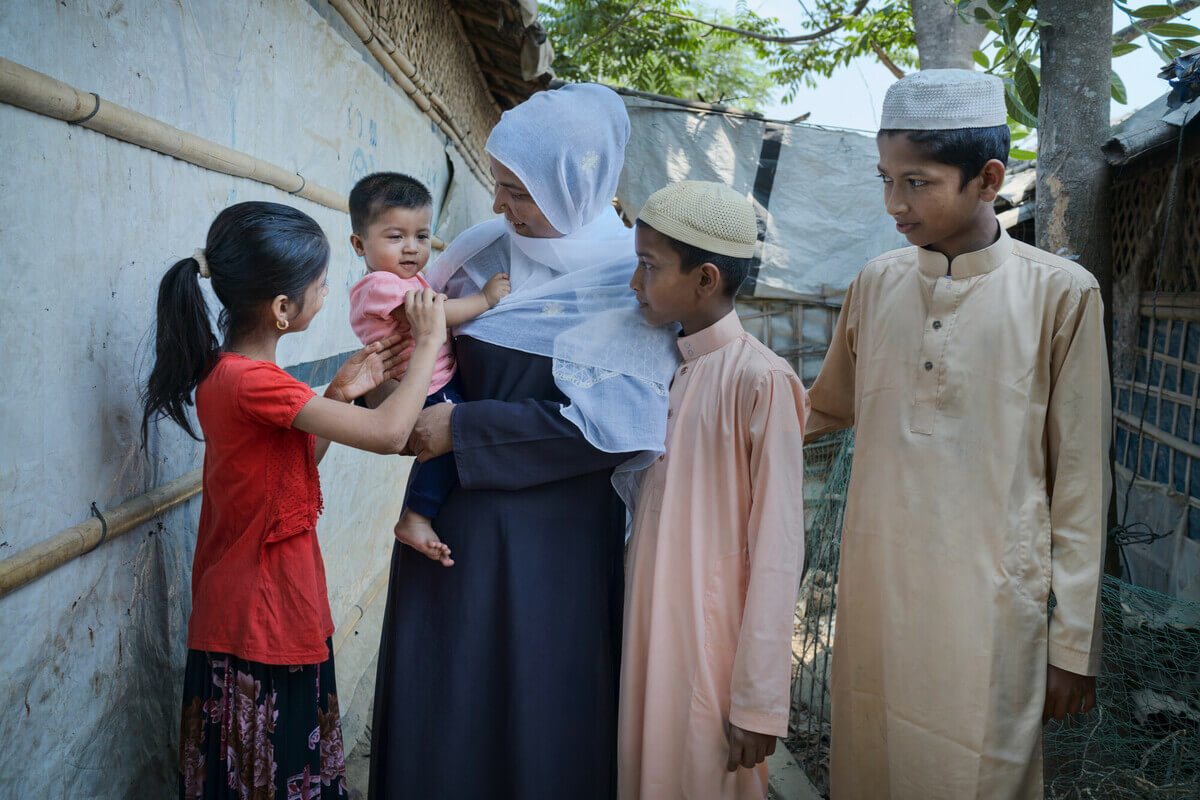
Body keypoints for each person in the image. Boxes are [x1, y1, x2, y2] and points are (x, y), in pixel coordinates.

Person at [367, 84, 679, 799]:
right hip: (450, 532)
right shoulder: (481, 254)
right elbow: (420, 354)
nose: (502, 205)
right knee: (445, 707)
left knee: (540, 710)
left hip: (555, 542)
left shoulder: (628, 283)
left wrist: (464, 428)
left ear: (575, 185)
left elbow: (617, 429)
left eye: (519, 191)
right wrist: (389, 381)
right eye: (499, 185)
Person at [805, 69, 1110, 799]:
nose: (893, 204)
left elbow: (1079, 483)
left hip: (991, 611)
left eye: (916, 181)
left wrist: (1073, 644)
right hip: (877, 599)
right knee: (870, 763)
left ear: (987, 178)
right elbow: (820, 418)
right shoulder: (875, 286)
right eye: (885, 179)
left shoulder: (1062, 295)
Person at [140, 201, 447, 800]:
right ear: (283, 310)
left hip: (261, 604)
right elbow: (390, 435)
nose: (329, 292)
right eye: (322, 285)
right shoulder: (256, 382)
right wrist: (430, 344)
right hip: (261, 616)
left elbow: (293, 470)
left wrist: (336, 395)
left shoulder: (230, 374)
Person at [619, 181, 809, 799]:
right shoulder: (660, 363)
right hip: (648, 616)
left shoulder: (761, 379)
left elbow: (779, 549)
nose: (634, 282)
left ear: (705, 279)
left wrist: (757, 701)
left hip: (709, 637)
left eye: (648, 266)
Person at [347, 172, 510, 567]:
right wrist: (485, 299)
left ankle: (419, 514)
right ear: (359, 244)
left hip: (437, 378)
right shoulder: (381, 285)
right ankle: (416, 517)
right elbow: (437, 314)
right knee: (449, 443)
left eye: (421, 236)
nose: (411, 248)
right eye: (395, 236)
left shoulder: (404, 278)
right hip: (427, 387)